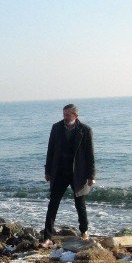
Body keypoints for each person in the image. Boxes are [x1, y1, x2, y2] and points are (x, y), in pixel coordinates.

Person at [43, 104, 96, 247]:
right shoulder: (56, 128)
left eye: (68, 115)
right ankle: (47, 237)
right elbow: (50, 150)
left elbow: (89, 155)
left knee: (80, 204)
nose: (65, 118)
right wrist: (47, 171)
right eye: (64, 115)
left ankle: (84, 231)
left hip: (78, 173)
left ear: (75, 116)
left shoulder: (85, 130)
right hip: (59, 172)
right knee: (53, 204)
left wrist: (91, 176)